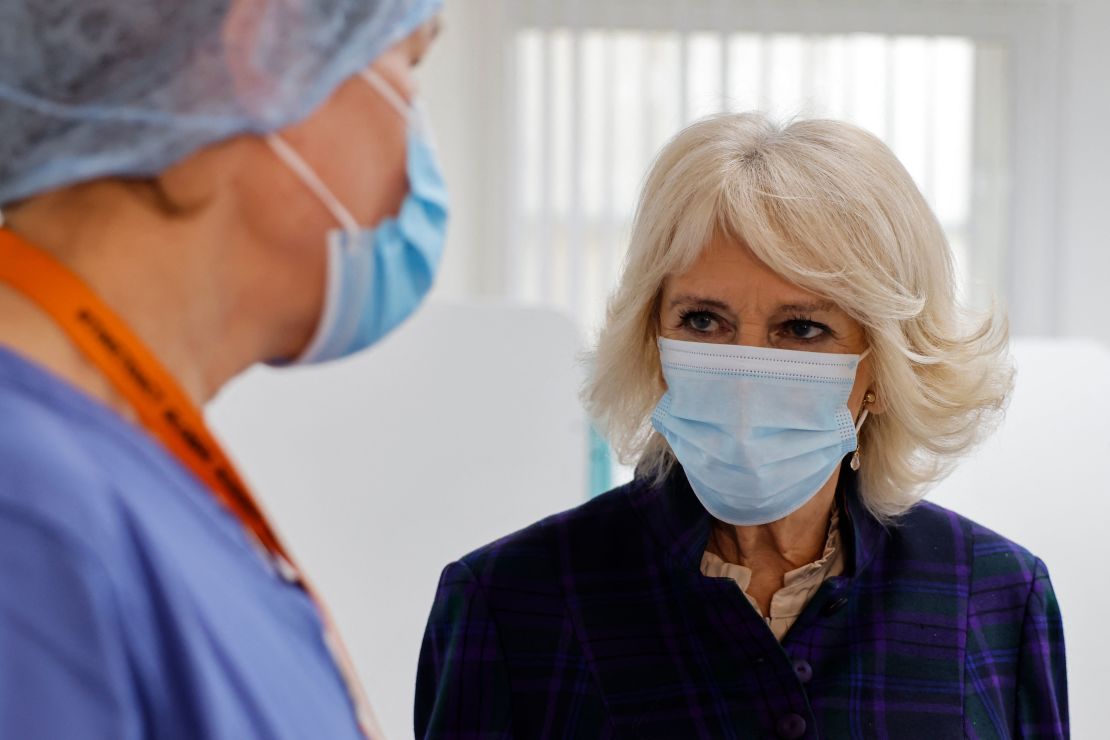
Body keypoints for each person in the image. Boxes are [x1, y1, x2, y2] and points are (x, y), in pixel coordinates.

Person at [415, 113, 1068, 738]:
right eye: (703, 320)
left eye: (802, 328)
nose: (748, 370)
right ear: (652, 334)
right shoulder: (512, 600)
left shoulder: (996, 597)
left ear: (885, 369)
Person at [0, 1, 444, 738]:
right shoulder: (28, 513)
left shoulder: (118, 479)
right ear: (259, 51)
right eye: (411, 64)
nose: (419, 149)